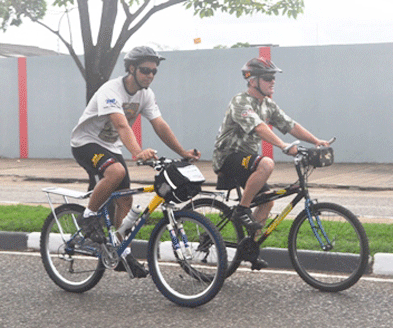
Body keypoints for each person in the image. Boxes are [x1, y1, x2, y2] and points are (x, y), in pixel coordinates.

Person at [70, 46, 200, 278]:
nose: (150, 75)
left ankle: (122, 252)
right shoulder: (111, 90)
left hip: (110, 146)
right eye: (145, 70)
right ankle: (88, 216)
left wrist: (183, 152)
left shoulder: (146, 94)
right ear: (131, 68)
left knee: (126, 201)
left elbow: (160, 124)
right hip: (85, 143)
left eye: (154, 72)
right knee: (116, 172)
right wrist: (138, 152)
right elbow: (121, 125)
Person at [212, 57, 329, 270]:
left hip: (246, 161)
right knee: (266, 164)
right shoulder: (241, 101)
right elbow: (258, 128)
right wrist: (284, 146)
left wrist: (315, 141)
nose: (272, 81)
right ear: (252, 80)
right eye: (267, 78)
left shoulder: (267, 104)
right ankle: (241, 210)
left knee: (267, 202)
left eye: (273, 78)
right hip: (228, 157)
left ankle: (250, 248)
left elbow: (290, 124)